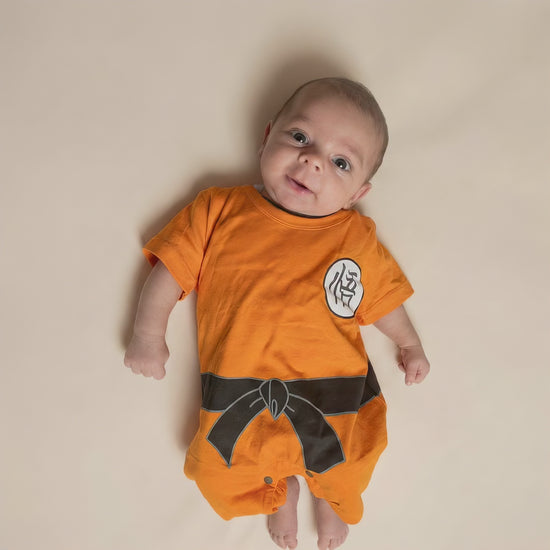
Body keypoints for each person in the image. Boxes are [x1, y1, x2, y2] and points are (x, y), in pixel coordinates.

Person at [124, 77, 430, 550]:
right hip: (239, 394)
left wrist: (409, 343)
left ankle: (331, 496)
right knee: (215, 471)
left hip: (334, 393)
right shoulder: (218, 210)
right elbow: (170, 270)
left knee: (354, 456)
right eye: (300, 137)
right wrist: (148, 335)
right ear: (267, 136)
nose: (313, 161)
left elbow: (384, 299)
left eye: (341, 162)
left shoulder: (354, 237)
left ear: (357, 193)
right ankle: (277, 494)